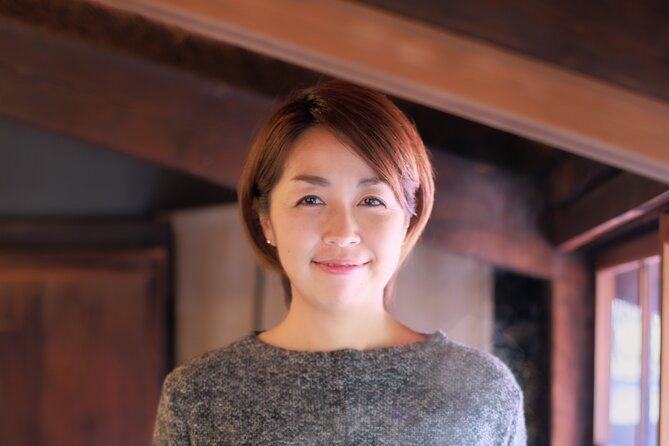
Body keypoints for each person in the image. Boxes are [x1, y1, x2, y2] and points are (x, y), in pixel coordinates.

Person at [152, 80, 526, 445]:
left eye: (372, 201)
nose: (342, 232)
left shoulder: (481, 391)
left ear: (408, 221)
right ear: (266, 220)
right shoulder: (198, 397)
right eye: (311, 200)